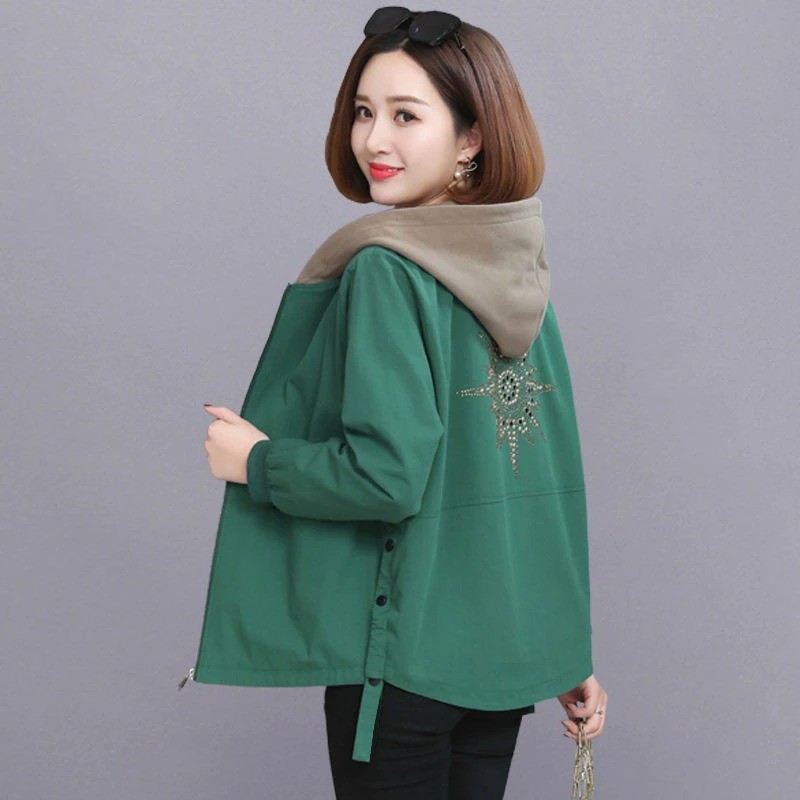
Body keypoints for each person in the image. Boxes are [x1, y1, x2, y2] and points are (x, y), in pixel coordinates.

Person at [182, 7, 608, 798]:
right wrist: (563, 648)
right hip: (503, 661)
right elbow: (539, 487)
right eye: (363, 112)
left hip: (408, 662)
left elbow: (385, 478)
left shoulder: (388, 269)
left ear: (471, 137)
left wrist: (258, 462)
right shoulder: (519, 267)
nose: (373, 140)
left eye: (406, 116)